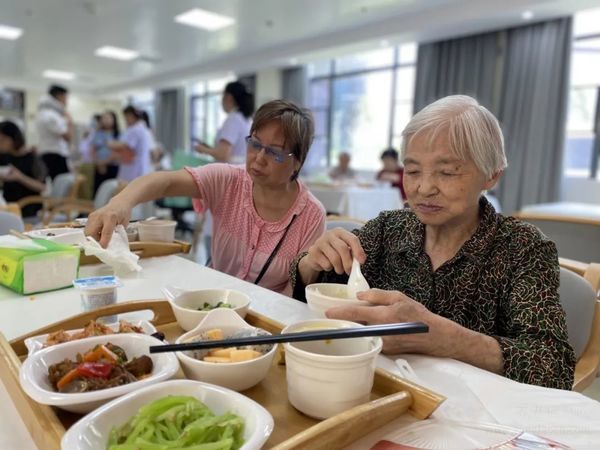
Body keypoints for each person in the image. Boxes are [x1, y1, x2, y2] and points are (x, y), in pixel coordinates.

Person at [290, 95, 575, 390]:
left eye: (447, 172)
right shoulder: (388, 229)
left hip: (477, 415)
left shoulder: (522, 249)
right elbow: (322, 292)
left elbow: (553, 366)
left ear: (492, 175)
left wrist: (449, 339)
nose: (424, 188)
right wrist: (310, 263)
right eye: (412, 171)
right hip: (377, 390)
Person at [86, 100, 326, 295]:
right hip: (209, 301)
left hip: (266, 320)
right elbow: (166, 181)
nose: (259, 158)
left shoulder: (311, 215)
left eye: (274, 152)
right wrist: (121, 203)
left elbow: (292, 293)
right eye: (254, 144)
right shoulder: (228, 179)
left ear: (298, 161)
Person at [194, 81, 253, 163]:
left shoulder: (234, 119)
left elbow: (223, 155)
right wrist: (211, 149)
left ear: (228, 97)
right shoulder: (246, 119)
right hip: (240, 170)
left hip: (230, 172)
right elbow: (231, 151)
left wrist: (202, 149)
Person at [0, 121, 47, 217]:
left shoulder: (32, 158)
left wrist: (19, 177)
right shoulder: (4, 156)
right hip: (7, 207)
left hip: (27, 208)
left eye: (3, 140)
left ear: (14, 139)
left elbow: (42, 187)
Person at [35, 84, 73, 180]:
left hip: (47, 153)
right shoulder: (52, 116)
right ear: (60, 96)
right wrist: (70, 121)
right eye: (65, 97)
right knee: (61, 186)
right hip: (55, 155)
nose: (66, 101)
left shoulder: (42, 113)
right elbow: (67, 136)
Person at [108, 106, 153, 182]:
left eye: (126, 117)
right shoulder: (138, 128)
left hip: (134, 168)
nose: (125, 120)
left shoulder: (136, 129)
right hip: (132, 166)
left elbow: (126, 146)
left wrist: (110, 144)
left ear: (131, 116)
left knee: (129, 188)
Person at [92, 111, 120, 194]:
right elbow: (94, 150)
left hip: (112, 166)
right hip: (99, 166)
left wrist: (104, 162)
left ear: (114, 120)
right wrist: (99, 163)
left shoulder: (118, 134)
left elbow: (118, 153)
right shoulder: (98, 134)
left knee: (111, 192)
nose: (105, 120)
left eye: (108, 118)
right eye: (103, 118)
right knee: (98, 191)